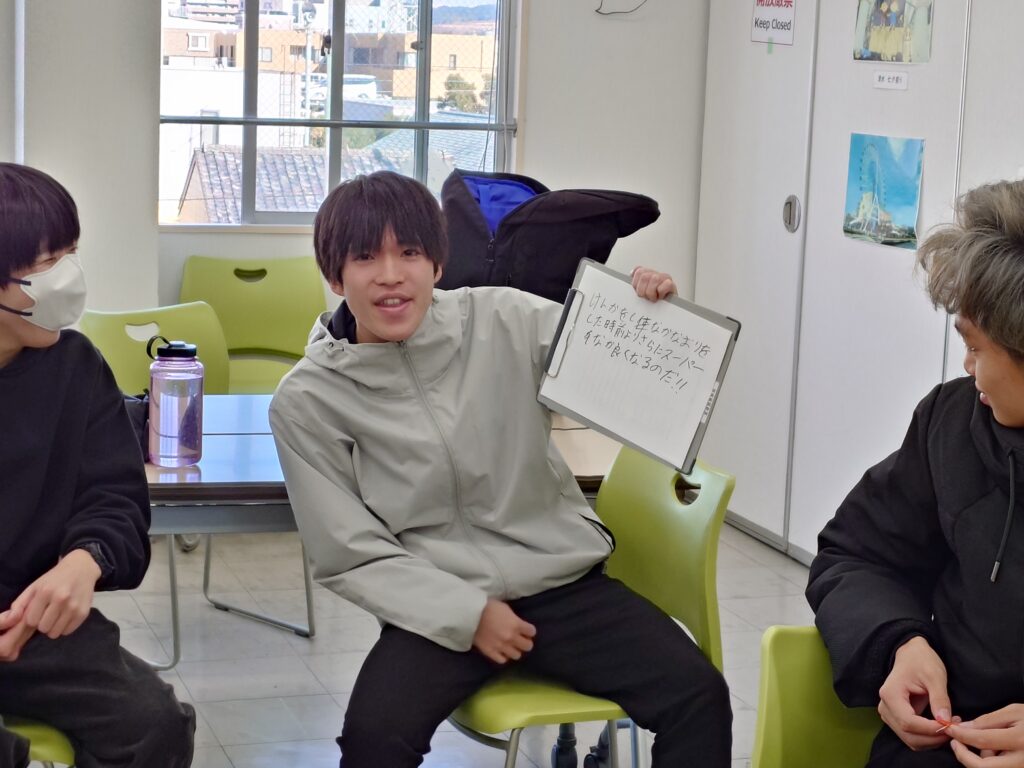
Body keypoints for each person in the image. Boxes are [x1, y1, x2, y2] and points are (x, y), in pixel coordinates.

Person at [270, 170, 732, 767]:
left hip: (562, 581)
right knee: (373, 740)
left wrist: (648, 312)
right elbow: (347, 552)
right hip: (437, 600)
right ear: (335, 277)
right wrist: (468, 615)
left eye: (409, 253)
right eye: (365, 257)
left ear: (437, 263)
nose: (390, 274)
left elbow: (638, 382)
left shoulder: (505, 318)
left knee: (699, 697)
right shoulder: (307, 400)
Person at [807, 178, 1024, 767]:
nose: (967, 365)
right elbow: (857, 555)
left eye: (979, 348)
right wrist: (900, 641)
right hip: (949, 740)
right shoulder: (951, 423)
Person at [0, 162, 195, 768]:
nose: (67, 277)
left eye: (71, 254)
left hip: (34, 626)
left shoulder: (77, 367)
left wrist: (85, 561)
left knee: (155, 724)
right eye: (45, 264)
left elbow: (117, 499)